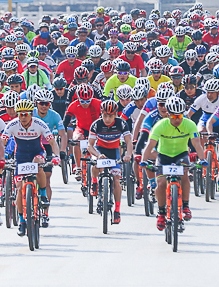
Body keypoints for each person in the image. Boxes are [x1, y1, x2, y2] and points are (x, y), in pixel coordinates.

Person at [143, 96, 205, 231]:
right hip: (163, 156)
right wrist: (143, 161)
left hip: (181, 155)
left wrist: (203, 159)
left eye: (179, 116)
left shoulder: (190, 124)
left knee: (185, 177)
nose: (177, 120)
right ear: (168, 114)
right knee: (160, 183)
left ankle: (186, 206)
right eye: (173, 117)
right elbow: (149, 146)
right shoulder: (160, 125)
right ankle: (161, 212)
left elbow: (197, 144)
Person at [1, 99, 60, 235]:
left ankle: (43, 195)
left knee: (38, 163)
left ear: (31, 114)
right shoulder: (12, 125)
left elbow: (52, 141)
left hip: (36, 152)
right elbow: (2, 142)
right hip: (21, 156)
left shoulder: (40, 123)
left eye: (26, 114)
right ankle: (22, 221)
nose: (23, 117)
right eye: (20, 114)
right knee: (20, 189)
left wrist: (56, 155)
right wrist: (0, 158)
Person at [87, 99, 134, 225]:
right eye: (105, 115)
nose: (107, 119)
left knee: (117, 180)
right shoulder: (96, 125)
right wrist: (97, 155)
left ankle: (117, 210)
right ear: (101, 114)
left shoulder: (122, 124)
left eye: (111, 116)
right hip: (100, 150)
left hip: (114, 151)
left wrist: (128, 155)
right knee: (95, 163)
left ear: (115, 115)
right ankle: (95, 182)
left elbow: (129, 142)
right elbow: (90, 146)